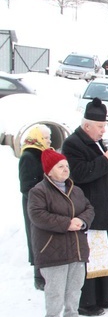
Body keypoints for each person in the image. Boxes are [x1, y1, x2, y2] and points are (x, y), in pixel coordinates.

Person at [62, 98, 108, 316]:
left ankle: (104, 296)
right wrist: (105, 161)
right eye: (100, 127)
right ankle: (86, 302)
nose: (103, 131)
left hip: (106, 208)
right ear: (86, 125)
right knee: (92, 256)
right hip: (89, 208)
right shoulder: (73, 143)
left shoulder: (97, 142)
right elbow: (78, 173)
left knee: (106, 253)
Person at [28, 149, 95, 317]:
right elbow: (38, 216)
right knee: (55, 290)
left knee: (75, 287)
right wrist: (67, 223)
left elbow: (89, 208)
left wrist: (81, 221)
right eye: (60, 166)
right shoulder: (39, 191)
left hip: (76, 247)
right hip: (52, 250)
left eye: (66, 166)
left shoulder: (76, 189)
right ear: (49, 170)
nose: (66, 170)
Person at [19, 124, 52, 290]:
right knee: (36, 238)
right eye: (45, 138)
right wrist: (40, 198)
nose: (48, 141)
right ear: (37, 138)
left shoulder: (42, 154)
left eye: (48, 138)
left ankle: (45, 273)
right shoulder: (29, 156)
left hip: (44, 202)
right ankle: (38, 276)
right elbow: (26, 186)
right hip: (34, 204)